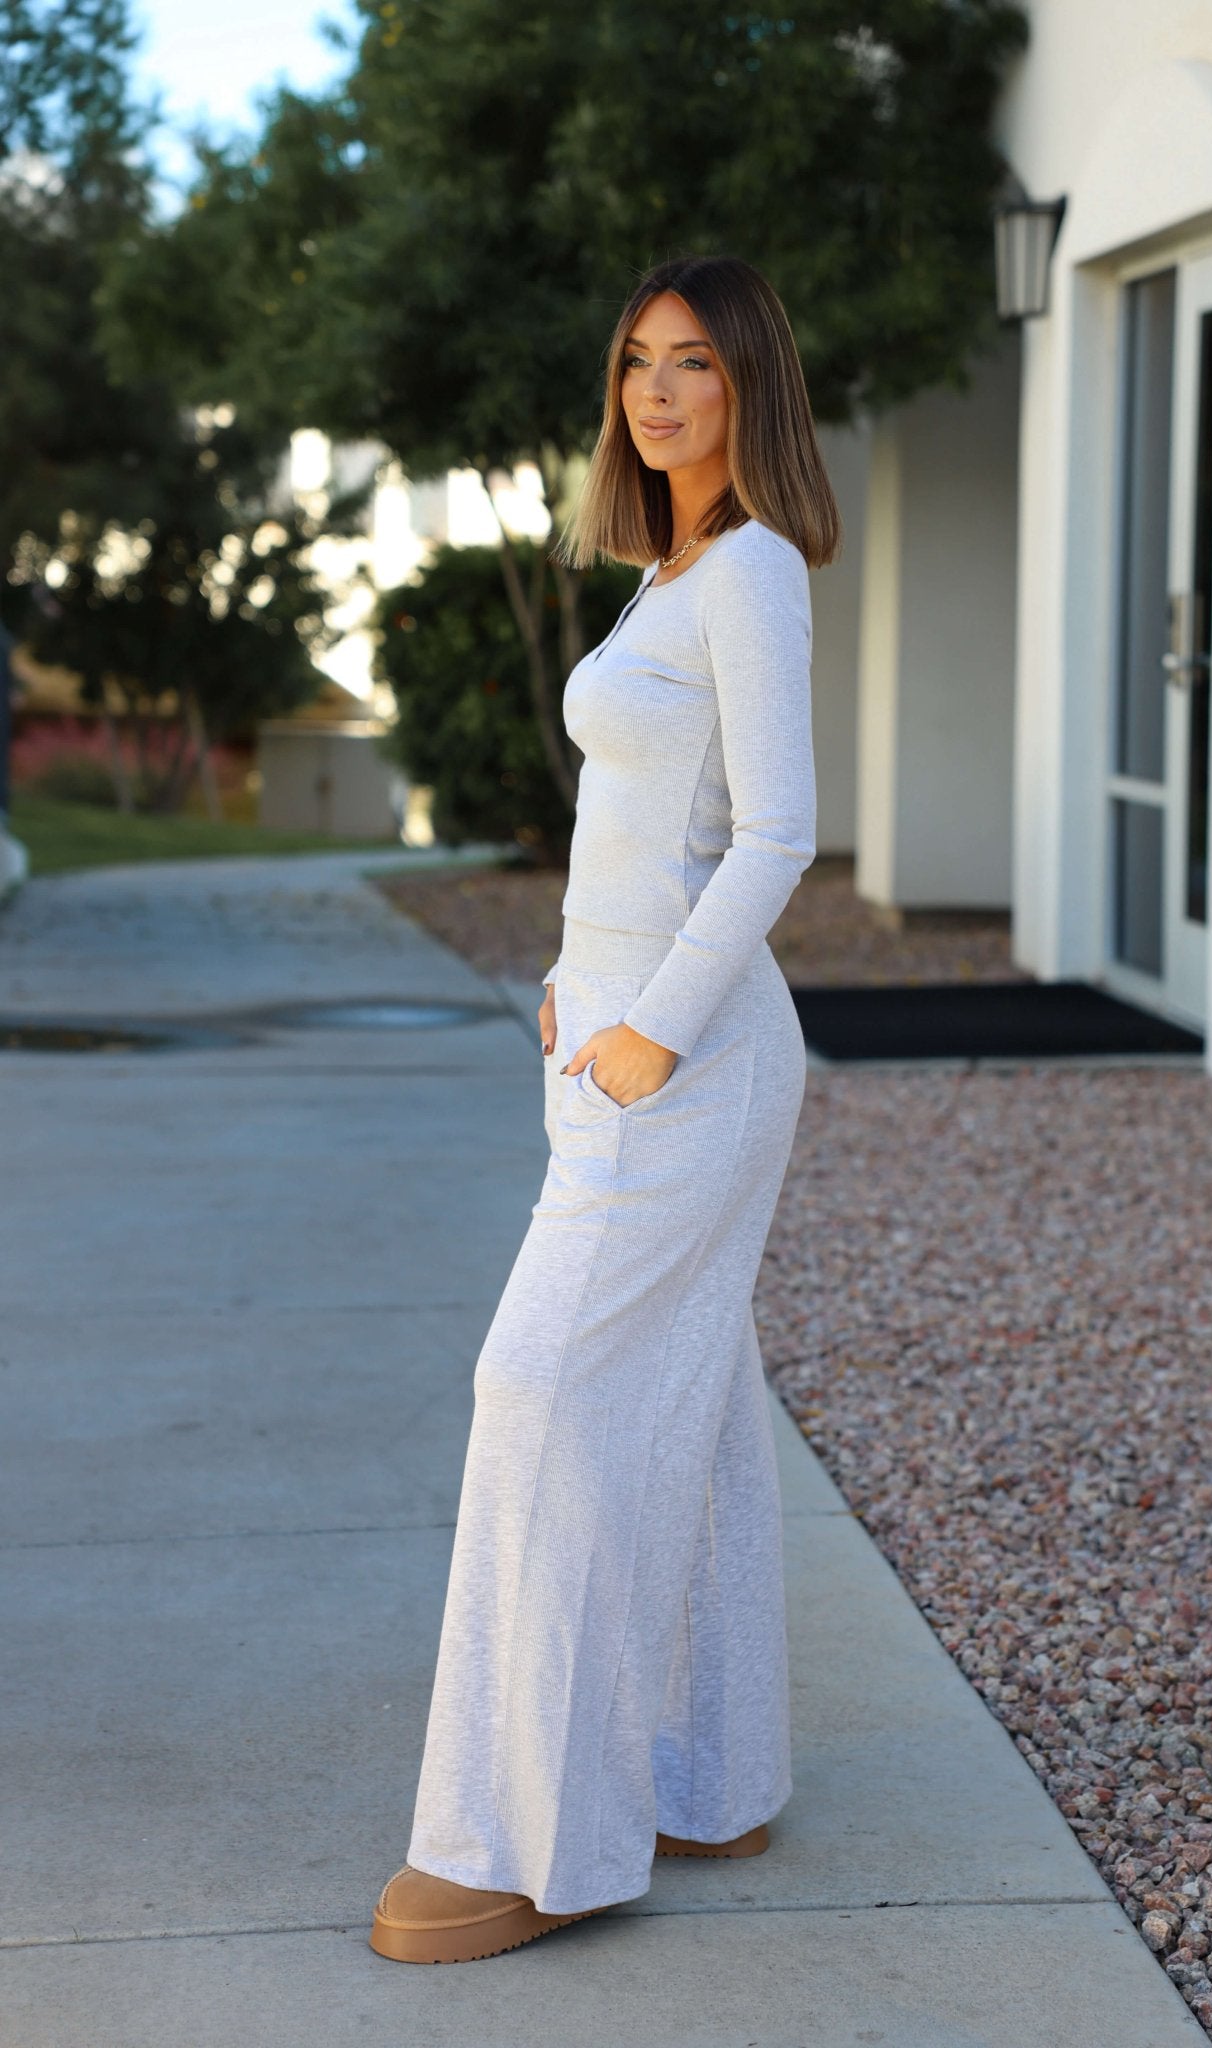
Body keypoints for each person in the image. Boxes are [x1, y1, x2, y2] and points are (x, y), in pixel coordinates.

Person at [370, 252, 842, 1965]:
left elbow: (777, 832)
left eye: (695, 364)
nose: (656, 393)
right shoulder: (671, 577)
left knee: (539, 1383)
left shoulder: (757, 573)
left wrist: (647, 1024)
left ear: (749, 388)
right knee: (692, 1392)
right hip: (618, 1035)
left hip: (693, 1057)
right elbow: (651, 823)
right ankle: (710, 1772)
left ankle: (519, 1838)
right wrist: (580, 977)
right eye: (638, 363)